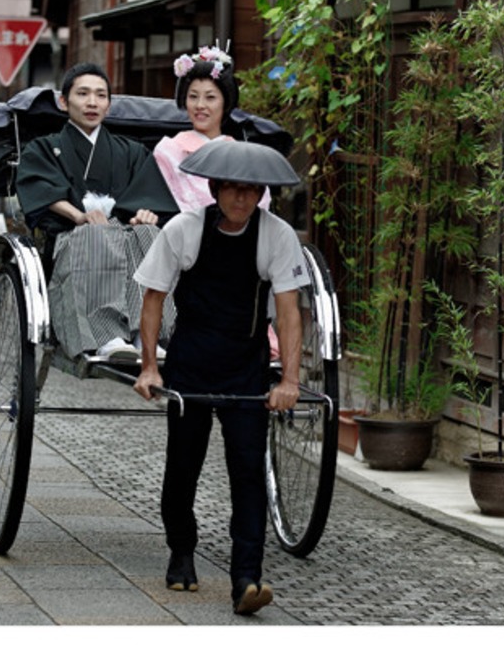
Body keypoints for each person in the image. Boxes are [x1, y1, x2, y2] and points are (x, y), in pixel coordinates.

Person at [132, 139, 308, 616]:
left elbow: (290, 314)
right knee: (183, 465)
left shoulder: (276, 234)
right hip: (190, 363)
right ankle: (182, 550)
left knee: (248, 471)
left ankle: (246, 578)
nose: (241, 199)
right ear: (215, 188)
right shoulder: (184, 228)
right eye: (232, 189)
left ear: (261, 194)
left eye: (251, 190)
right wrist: (150, 366)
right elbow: (153, 298)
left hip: (245, 368)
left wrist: (288, 381)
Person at [16, 62, 177, 359]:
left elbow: (148, 194)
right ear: (64, 102)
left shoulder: (130, 151)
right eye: (83, 94)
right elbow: (40, 187)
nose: (92, 102)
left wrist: (146, 213)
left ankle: (148, 333)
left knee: (149, 233)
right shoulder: (43, 148)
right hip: (72, 238)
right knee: (96, 234)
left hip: (123, 233)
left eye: (101, 95)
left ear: (108, 104)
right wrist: (78, 215)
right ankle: (107, 335)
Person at [155, 46, 270, 212]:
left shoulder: (243, 155)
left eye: (210, 97)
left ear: (225, 102)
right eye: (193, 96)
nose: (200, 105)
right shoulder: (168, 151)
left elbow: (261, 205)